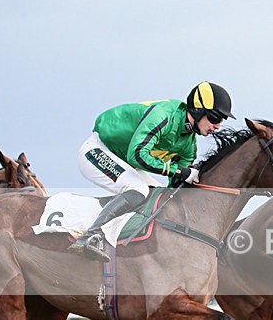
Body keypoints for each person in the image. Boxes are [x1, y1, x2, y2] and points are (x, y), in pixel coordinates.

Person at [68, 81, 235, 262]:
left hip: (123, 161)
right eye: (215, 119)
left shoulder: (189, 144)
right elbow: (137, 155)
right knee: (138, 190)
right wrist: (179, 172)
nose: (217, 126)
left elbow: (173, 189)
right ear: (197, 110)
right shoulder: (163, 116)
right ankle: (88, 237)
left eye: (221, 121)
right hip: (97, 151)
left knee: (157, 196)